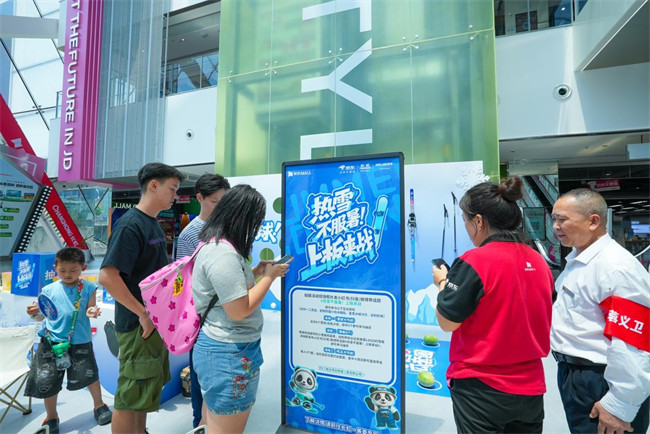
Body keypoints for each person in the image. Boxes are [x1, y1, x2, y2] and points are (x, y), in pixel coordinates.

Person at [432, 176, 554, 434]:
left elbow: (447, 322)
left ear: (478, 221)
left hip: (480, 387)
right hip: (530, 387)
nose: (466, 228)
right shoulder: (538, 261)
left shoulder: (475, 261)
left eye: (465, 221)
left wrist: (443, 282)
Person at [191, 184, 289, 434]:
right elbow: (238, 309)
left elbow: (229, 291)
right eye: (256, 221)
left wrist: (257, 272)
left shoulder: (217, 246)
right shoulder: (222, 254)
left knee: (212, 421)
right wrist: (269, 277)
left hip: (225, 350)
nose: (256, 227)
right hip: (228, 354)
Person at [550, 188, 650, 434]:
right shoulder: (580, 260)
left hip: (602, 381)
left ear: (593, 221)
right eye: (554, 219)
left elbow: (634, 341)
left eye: (562, 219)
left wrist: (620, 404)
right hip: (576, 376)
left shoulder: (615, 267)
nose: (555, 227)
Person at [98, 162, 185, 434]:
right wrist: (142, 313)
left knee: (143, 389)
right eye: (173, 189)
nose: (175, 196)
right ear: (154, 185)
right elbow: (107, 277)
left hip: (152, 323)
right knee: (129, 394)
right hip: (138, 326)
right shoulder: (130, 226)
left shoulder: (153, 224)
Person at [25, 247, 113, 434]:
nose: (67, 274)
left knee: (90, 375)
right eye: (62, 270)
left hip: (80, 341)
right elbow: (41, 316)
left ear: (83, 268)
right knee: (48, 380)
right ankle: (51, 416)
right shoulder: (48, 290)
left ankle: (99, 405)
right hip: (51, 342)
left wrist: (93, 312)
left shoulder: (88, 287)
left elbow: (90, 309)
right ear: (55, 268)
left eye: (73, 270)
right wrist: (33, 313)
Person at [176, 172, 230, 428]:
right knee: (201, 376)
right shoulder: (190, 234)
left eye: (224, 201)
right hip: (201, 316)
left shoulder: (227, 228)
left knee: (222, 376)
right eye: (215, 201)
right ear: (199, 198)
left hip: (227, 312)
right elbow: (183, 279)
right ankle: (200, 424)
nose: (220, 207)